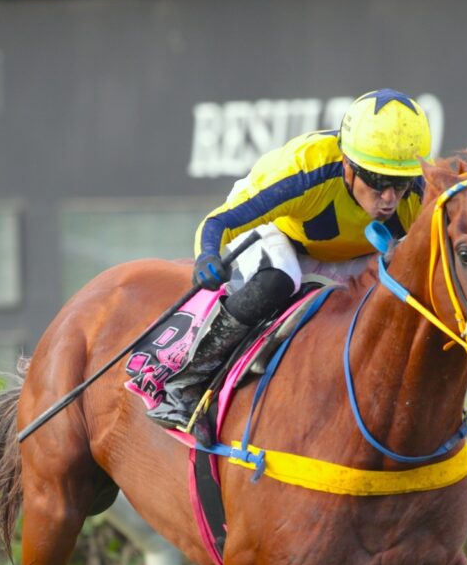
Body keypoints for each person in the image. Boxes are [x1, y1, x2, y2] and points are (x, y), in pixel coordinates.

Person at [147, 88, 432, 430]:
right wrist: (206, 256)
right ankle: (186, 384)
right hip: (280, 234)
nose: (389, 198)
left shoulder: (419, 195)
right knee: (279, 278)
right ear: (347, 164)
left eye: (400, 183)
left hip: (354, 253)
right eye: (377, 180)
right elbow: (219, 222)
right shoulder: (305, 171)